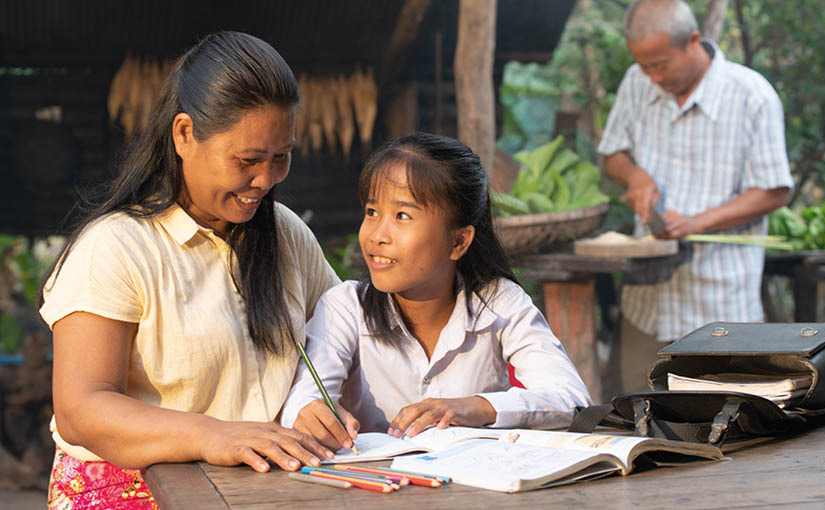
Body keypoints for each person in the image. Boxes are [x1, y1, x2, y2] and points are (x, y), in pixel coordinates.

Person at [38, 31, 339, 509]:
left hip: (258, 491)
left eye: (281, 158)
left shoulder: (285, 234)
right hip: (128, 494)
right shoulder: (115, 248)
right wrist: (211, 436)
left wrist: (317, 399)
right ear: (184, 134)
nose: (265, 180)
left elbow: (342, 332)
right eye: (247, 160)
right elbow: (81, 409)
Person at [280, 133, 592, 450]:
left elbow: (572, 400)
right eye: (372, 212)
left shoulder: (499, 302)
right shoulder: (345, 307)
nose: (376, 235)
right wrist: (311, 413)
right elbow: (304, 397)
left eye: (402, 216)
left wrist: (477, 406)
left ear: (458, 242)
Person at [598, 0, 793, 394]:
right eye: (644, 66)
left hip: (720, 309)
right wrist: (633, 175)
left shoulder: (752, 95)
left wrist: (694, 224)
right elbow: (612, 154)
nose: (652, 77)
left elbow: (774, 190)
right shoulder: (637, 82)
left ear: (693, 41)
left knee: (729, 434)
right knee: (642, 424)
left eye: (661, 65)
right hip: (646, 306)